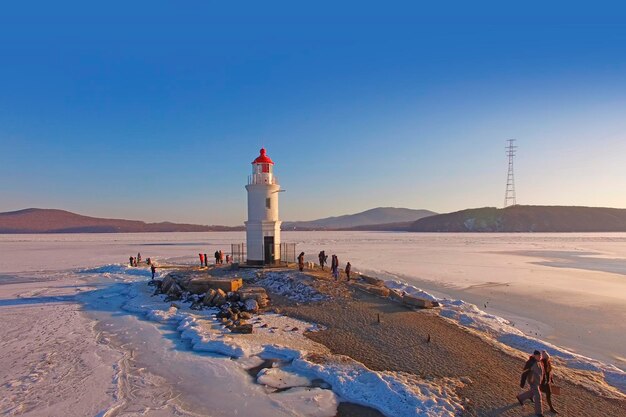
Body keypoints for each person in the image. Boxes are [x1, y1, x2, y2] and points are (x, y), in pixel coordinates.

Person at [517, 350, 545, 416]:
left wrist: (543, 380)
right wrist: (522, 382)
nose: (540, 357)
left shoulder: (539, 362)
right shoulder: (531, 363)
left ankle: (520, 397)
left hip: (538, 381)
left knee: (532, 392)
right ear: (534, 355)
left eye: (540, 355)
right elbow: (524, 373)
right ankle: (539, 413)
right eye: (538, 355)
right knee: (538, 396)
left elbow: (541, 372)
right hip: (533, 382)